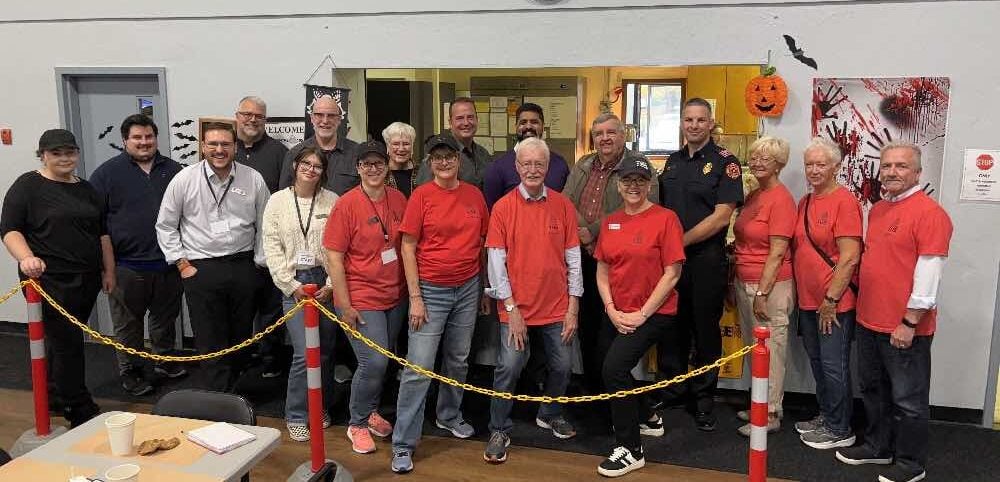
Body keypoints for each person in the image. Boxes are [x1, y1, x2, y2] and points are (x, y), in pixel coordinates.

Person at [836, 142, 953, 482]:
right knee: (873, 390)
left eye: (901, 166)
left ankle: (911, 464)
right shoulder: (879, 209)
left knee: (908, 399)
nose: (891, 172)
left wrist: (909, 321)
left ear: (917, 172)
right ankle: (878, 447)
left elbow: (929, 274)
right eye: (886, 166)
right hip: (869, 320)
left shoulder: (930, 214)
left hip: (904, 326)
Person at [0, 129, 115, 427]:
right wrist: (26, 258)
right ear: (43, 155)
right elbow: (10, 229)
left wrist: (109, 270)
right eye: (56, 153)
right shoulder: (27, 186)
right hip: (48, 281)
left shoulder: (87, 189)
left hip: (86, 279)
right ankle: (78, 407)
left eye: (69, 152)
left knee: (61, 340)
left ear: (77, 153)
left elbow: (102, 234)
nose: (64, 158)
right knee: (68, 343)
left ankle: (53, 395)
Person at [391, 134, 488, 474]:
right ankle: (403, 443)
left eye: (450, 157)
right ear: (430, 163)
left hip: (468, 288)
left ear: (459, 161)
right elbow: (407, 247)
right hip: (430, 292)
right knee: (418, 368)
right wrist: (416, 298)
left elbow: (481, 243)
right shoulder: (421, 196)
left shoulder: (474, 195)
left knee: (458, 360)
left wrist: (483, 289)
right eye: (438, 158)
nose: (444, 162)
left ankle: (448, 415)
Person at [482, 138, 582, 464]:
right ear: (517, 167)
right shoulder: (502, 208)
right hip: (516, 306)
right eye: (527, 164)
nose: (533, 170)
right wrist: (511, 309)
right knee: (509, 367)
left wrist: (573, 306)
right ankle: (499, 428)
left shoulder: (563, 206)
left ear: (548, 167)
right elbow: (496, 264)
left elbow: (574, 259)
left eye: (539, 164)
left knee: (563, 365)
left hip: (557, 306)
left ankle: (550, 412)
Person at [156, 121, 270, 391]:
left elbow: (265, 223)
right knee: (209, 336)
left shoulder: (252, 178)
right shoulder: (184, 179)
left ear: (235, 147)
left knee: (241, 334)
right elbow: (166, 225)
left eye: (225, 144)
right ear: (203, 146)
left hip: (243, 265)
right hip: (200, 267)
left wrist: (259, 263)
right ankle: (217, 394)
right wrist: (182, 264)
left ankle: (236, 389)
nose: (220, 150)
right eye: (213, 144)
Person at [593, 156, 684, 478]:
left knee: (615, 369)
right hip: (617, 311)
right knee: (605, 367)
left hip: (654, 312)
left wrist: (642, 314)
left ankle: (631, 450)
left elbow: (672, 273)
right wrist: (610, 309)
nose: (633, 186)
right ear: (618, 186)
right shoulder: (610, 222)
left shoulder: (666, 219)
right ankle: (647, 414)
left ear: (649, 185)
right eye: (627, 180)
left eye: (640, 181)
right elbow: (602, 270)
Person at [656, 98, 744, 431]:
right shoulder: (672, 162)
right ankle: (674, 391)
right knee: (672, 328)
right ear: (682, 123)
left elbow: (722, 216)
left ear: (710, 123)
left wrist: (680, 241)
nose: (693, 125)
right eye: (688, 119)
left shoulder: (725, 162)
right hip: (672, 263)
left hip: (706, 260)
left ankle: (704, 400)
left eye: (700, 120)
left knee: (705, 331)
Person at [90, 114, 186, 397]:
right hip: (126, 267)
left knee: (164, 319)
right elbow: (96, 224)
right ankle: (130, 371)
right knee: (127, 324)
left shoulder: (174, 170)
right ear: (125, 141)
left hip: (168, 263)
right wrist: (106, 269)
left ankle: (163, 360)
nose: (144, 142)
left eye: (149, 137)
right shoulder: (106, 174)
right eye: (137, 137)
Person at [563, 113, 659, 394]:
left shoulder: (639, 165)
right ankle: (593, 391)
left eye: (611, 132)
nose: (604, 138)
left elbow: (642, 208)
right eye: (599, 133)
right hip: (583, 257)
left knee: (613, 329)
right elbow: (566, 201)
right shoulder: (583, 164)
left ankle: (614, 393)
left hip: (620, 263)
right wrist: (585, 234)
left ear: (622, 134)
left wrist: (593, 230)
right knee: (587, 326)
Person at [325, 141, 407, 454]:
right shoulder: (346, 204)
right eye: (366, 164)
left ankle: (370, 411)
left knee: (382, 362)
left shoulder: (398, 198)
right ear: (358, 168)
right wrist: (345, 304)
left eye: (379, 164)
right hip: (360, 296)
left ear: (387, 167)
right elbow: (334, 258)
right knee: (373, 360)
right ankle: (357, 422)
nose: (373, 169)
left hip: (394, 296)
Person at [261, 146, 338, 442]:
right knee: (305, 354)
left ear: (323, 171)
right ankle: (296, 414)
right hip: (294, 284)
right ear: (295, 166)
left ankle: (320, 408)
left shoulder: (333, 200)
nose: (311, 169)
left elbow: (339, 247)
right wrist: (290, 286)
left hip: (324, 282)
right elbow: (271, 248)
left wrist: (331, 284)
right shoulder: (277, 201)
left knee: (326, 352)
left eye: (317, 166)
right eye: (306, 163)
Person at [793, 138, 862, 450]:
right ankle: (827, 415)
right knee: (819, 363)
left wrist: (831, 300)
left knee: (834, 366)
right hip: (808, 301)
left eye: (821, 164)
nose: (814, 170)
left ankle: (840, 428)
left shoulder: (844, 202)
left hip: (833, 303)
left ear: (836, 166)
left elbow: (849, 257)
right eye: (809, 164)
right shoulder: (805, 202)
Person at [731, 136, 796, 436]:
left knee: (771, 351)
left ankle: (769, 412)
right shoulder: (755, 195)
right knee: (754, 349)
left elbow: (778, 252)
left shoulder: (781, 200)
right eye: (754, 157)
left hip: (769, 286)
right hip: (744, 280)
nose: (757, 163)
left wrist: (762, 292)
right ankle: (759, 404)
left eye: (765, 159)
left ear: (779, 165)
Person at [234, 95, 290, 379]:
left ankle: (270, 358)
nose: (252, 120)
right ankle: (240, 357)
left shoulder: (279, 152)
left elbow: (285, 197)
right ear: (237, 116)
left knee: (271, 307)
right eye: (247, 114)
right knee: (240, 307)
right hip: (235, 247)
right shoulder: (224, 149)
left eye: (258, 116)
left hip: (270, 245)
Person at [483, 102, 570, 210]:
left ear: (543, 126)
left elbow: (565, 205)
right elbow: (493, 211)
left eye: (534, 122)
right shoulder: (497, 168)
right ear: (516, 127)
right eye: (523, 122)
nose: (528, 126)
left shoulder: (560, 165)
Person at [279, 96, 360, 196]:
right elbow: (285, 196)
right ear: (312, 118)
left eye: (331, 115)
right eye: (319, 115)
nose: (325, 121)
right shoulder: (294, 154)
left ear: (339, 120)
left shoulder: (357, 153)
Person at [414, 98, 492, 190]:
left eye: (470, 117)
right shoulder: (437, 154)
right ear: (450, 122)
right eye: (460, 118)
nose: (466, 123)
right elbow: (424, 192)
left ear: (477, 120)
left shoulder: (483, 154)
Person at [382, 122, 418, 198]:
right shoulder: (380, 173)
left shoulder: (422, 172)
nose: (401, 149)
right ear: (387, 146)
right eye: (396, 144)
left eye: (406, 144)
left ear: (412, 146)